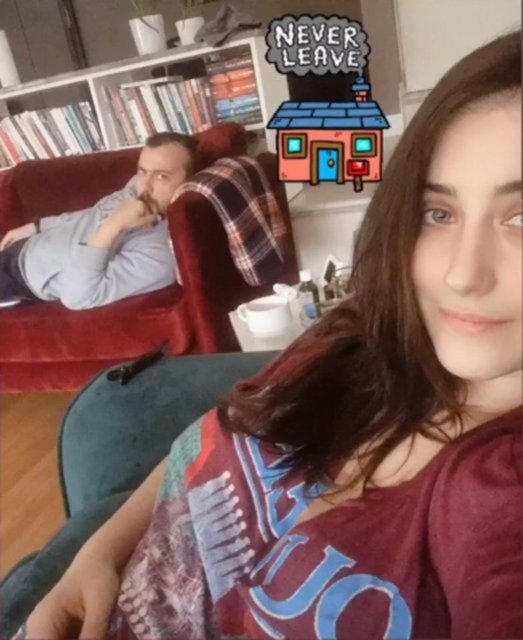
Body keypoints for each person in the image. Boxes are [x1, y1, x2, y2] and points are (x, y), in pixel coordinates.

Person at [14, 30, 523, 639]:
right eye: (439, 213)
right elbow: (220, 428)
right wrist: (95, 556)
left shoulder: (500, 500)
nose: (462, 275)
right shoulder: (360, 327)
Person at [0, 132, 198, 310]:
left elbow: (78, 297)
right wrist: (37, 226)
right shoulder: (137, 189)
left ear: (187, 183)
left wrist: (113, 226)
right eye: (142, 171)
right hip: (29, 242)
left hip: (19, 275)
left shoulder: (159, 256)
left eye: (162, 176)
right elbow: (91, 216)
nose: (145, 186)